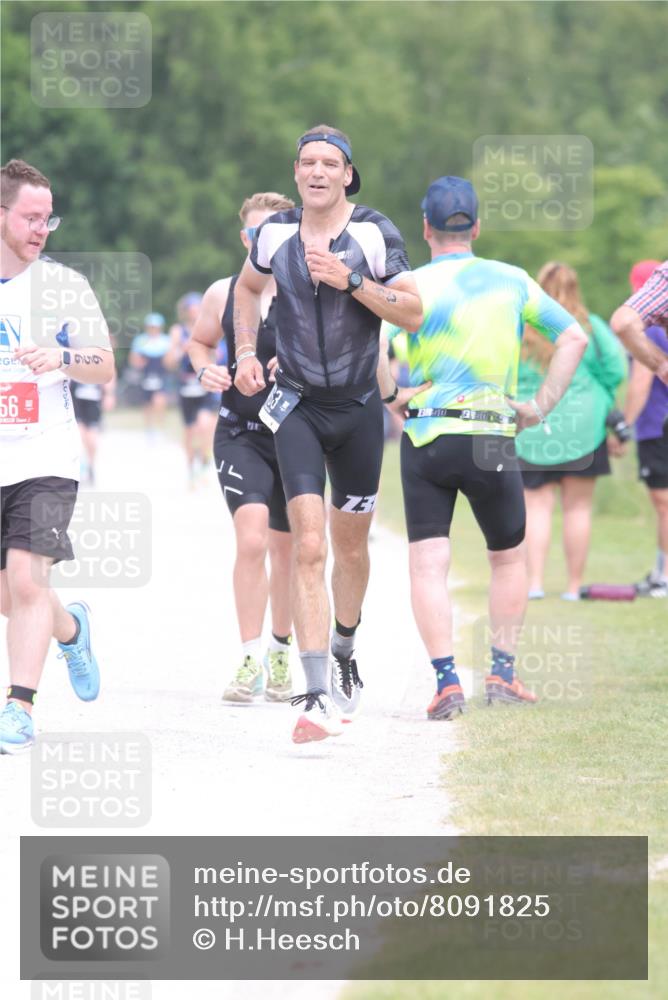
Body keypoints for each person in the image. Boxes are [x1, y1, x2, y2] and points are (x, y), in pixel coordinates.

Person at [233, 126, 423, 742]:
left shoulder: (372, 232)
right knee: (308, 546)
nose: (317, 172)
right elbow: (246, 287)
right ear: (295, 173)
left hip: (359, 410)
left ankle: (344, 646)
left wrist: (352, 281)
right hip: (297, 409)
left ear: (347, 174)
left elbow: (414, 311)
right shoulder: (273, 234)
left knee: (350, 548)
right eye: (307, 162)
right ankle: (313, 698)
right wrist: (243, 350)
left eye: (330, 163)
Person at [378, 176, 587, 720]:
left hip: (425, 433)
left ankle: (447, 682)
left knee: (428, 561)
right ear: (477, 226)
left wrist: (390, 396)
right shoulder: (512, 280)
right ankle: (501, 673)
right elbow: (574, 338)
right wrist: (538, 406)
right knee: (508, 557)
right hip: (490, 433)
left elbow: (372, 341)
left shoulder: (409, 283)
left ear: (425, 227)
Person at [0, 158, 115, 753]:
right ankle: (70, 629)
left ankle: (19, 707)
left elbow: (106, 363)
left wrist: (62, 358)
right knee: (13, 595)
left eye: (49, 219)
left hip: (46, 458)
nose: (42, 229)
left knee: (25, 579)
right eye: (30, 217)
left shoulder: (63, 286)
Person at [188, 192, 297, 703]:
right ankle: (250, 655)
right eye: (256, 234)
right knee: (252, 542)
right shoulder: (223, 291)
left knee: (289, 549)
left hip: (296, 435)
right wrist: (203, 367)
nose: (264, 244)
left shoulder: (308, 289)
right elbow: (200, 342)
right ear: (244, 238)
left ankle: (281, 651)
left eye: (274, 234)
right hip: (239, 433)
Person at [516, 262, 626, 600]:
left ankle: (534, 584)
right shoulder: (590, 328)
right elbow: (616, 369)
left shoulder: (522, 330)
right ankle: (574, 587)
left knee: (536, 508)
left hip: (534, 429)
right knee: (578, 509)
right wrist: (604, 399)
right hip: (584, 427)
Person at [616, 260, 668, 597]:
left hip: (657, 423)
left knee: (663, 502)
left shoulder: (646, 329)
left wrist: (625, 424)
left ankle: (663, 577)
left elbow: (640, 382)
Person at [166, 292, 217, 485]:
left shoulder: (210, 327)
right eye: (191, 308)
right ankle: (190, 468)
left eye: (198, 307)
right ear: (185, 311)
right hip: (186, 386)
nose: (194, 311)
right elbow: (169, 362)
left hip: (205, 383)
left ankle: (205, 460)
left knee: (205, 425)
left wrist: (203, 351)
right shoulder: (178, 331)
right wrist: (182, 350)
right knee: (190, 431)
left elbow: (216, 356)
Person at [128, 313, 170, 439]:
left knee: (160, 401)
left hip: (160, 373)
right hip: (146, 374)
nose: (153, 329)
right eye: (151, 326)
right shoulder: (140, 340)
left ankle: (160, 427)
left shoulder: (165, 340)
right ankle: (149, 429)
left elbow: (170, 359)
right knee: (147, 403)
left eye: (155, 327)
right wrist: (138, 363)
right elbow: (134, 359)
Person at [70, 374, 116, 485]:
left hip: (93, 399)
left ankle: (90, 464)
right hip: (75, 397)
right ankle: (80, 466)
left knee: (91, 438)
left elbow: (109, 371)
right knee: (78, 434)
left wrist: (109, 394)